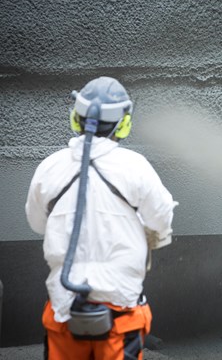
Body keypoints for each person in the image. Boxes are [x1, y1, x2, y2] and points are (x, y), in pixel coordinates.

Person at [25, 76, 178, 359]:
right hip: (120, 306)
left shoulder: (50, 167)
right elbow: (161, 222)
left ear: (75, 118)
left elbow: (37, 224)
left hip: (64, 307)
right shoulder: (135, 167)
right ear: (125, 123)